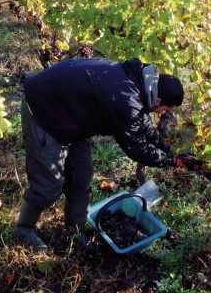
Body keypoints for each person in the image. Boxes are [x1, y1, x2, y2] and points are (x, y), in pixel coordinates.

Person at [16, 57, 200, 250]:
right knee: (48, 186)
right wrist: (173, 161)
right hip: (43, 111)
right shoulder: (126, 99)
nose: (164, 112)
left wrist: (170, 150)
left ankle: (74, 230)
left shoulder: (139, 83)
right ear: (159, 99)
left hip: (71, 117)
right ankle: (24, 228)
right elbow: (137, 148)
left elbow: (143, 124)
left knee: (81, 176)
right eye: (166, 108)